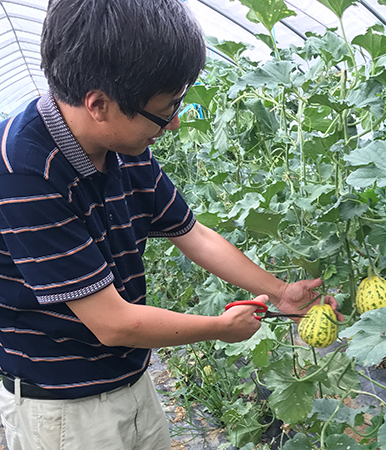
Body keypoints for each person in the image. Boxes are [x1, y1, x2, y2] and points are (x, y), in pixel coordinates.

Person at [0, 0, 342, 449]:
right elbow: (113, 323)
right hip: (67, 411)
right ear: (99, 104)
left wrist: (282, 293)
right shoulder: (23, 170)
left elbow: (193, 234)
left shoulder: (125, 146)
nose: (175, 122)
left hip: (132, 383)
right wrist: (222, 328)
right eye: (165, 109)